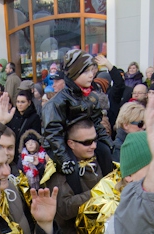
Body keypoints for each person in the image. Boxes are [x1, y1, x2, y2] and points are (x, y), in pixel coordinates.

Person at [42, 50, 114, 180]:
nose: (91, 75)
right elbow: (53, 134)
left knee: (105, 152)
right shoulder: (57, 102)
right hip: (62, 145)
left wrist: (107, 141)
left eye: (92, 71)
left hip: (84, 141)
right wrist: (64, 158)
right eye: (85, 72)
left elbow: (97, 123)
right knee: (72, 172)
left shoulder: (92, 98)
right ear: (74, 73)